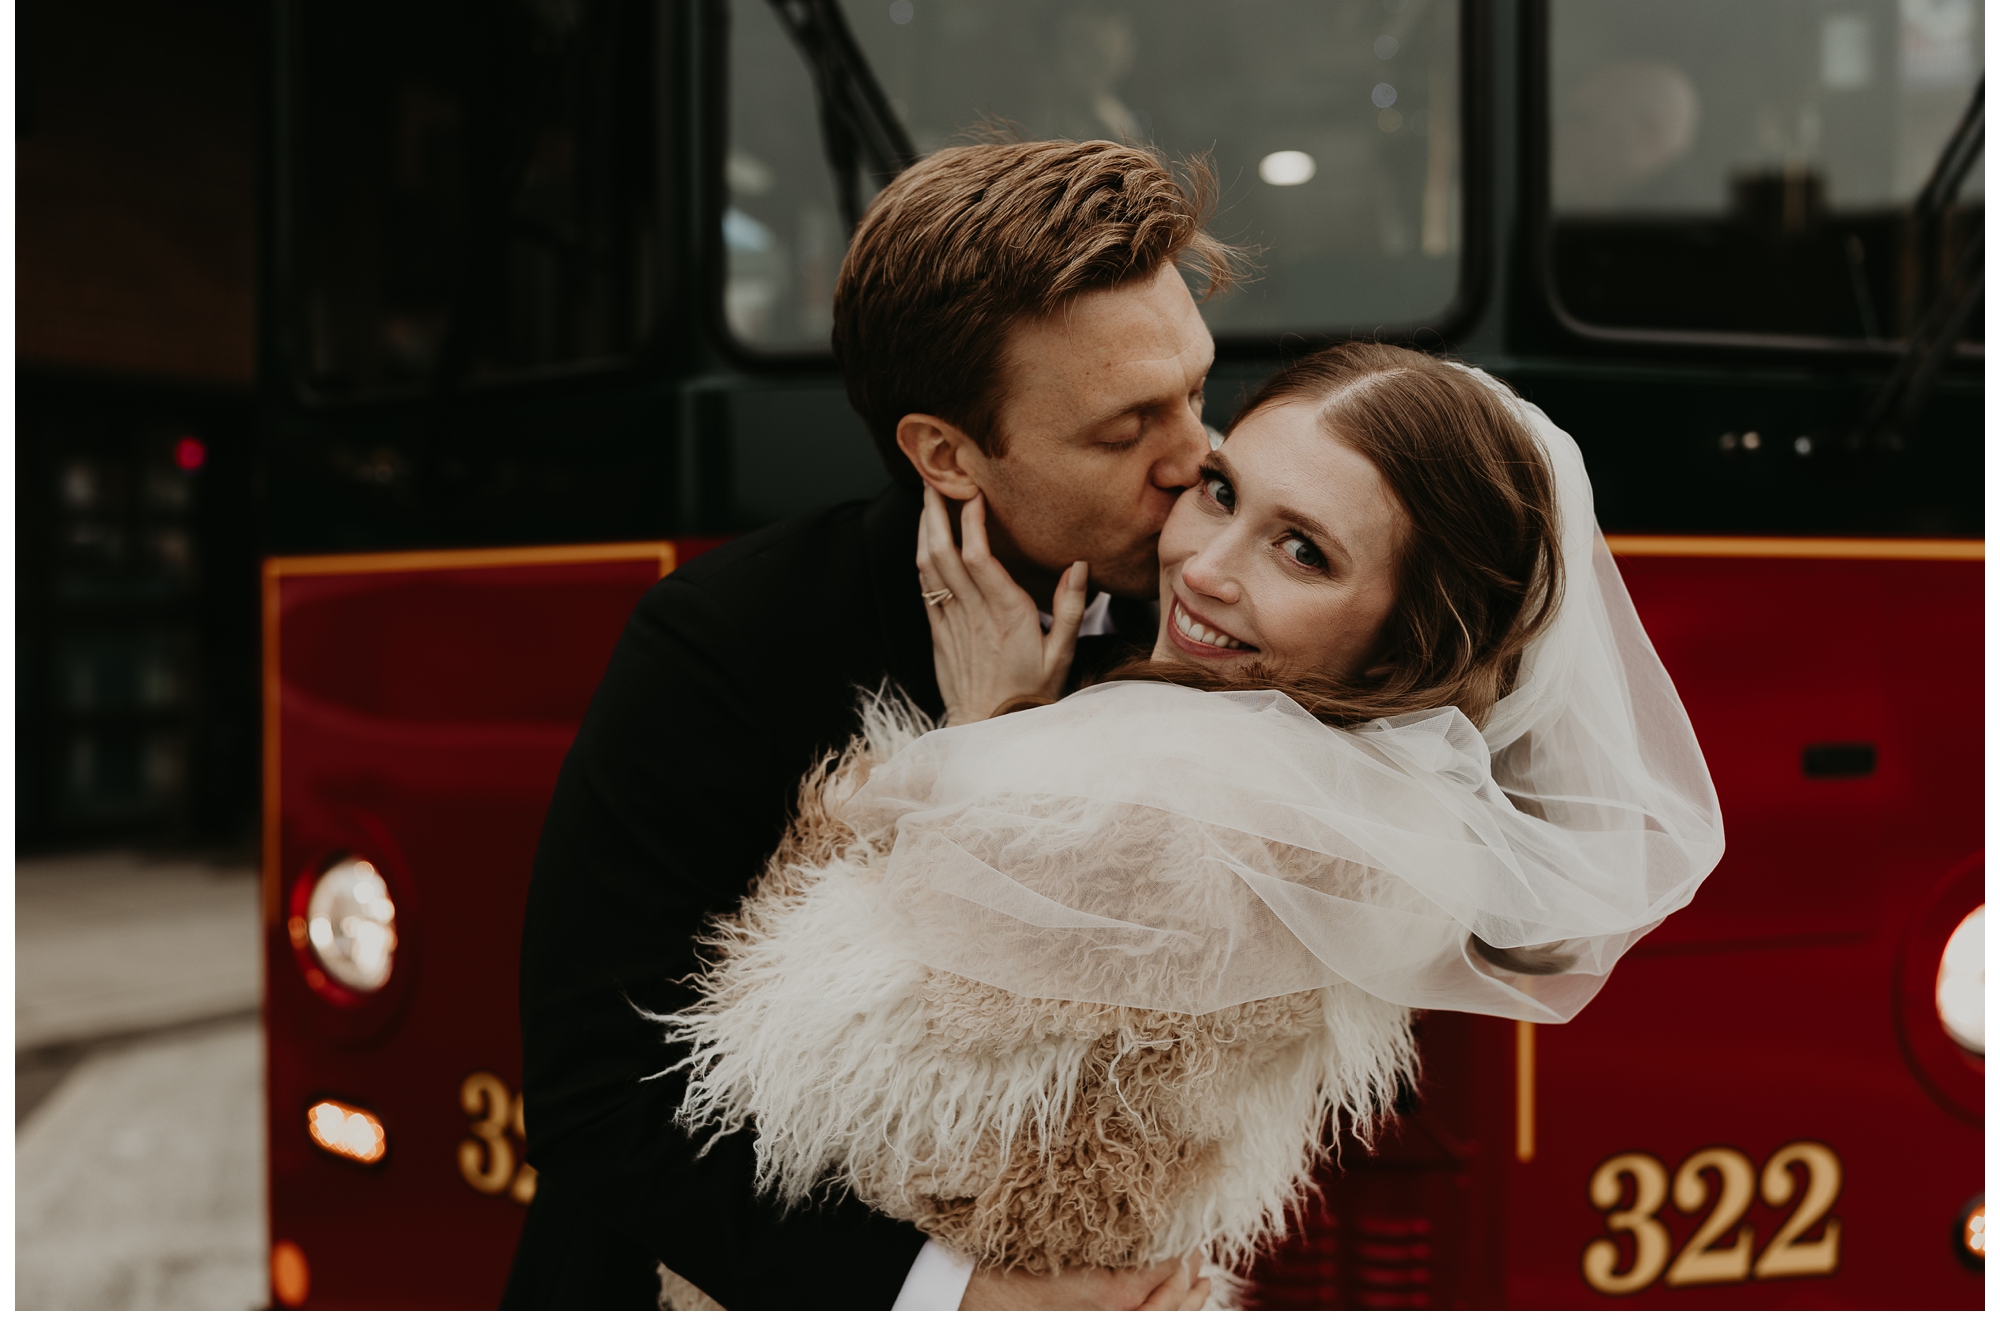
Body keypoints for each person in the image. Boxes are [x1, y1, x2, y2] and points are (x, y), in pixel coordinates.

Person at [660, 343, 1726, 1301]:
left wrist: (977, 742)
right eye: (1220, 490)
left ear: (1404, 641)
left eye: (1301, 552)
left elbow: (772, 1072)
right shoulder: (1379, 808)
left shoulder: (1174, 805)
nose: (1205, 568)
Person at [504, 139, 1240, 1310]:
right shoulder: (721, 645)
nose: (1199, 460)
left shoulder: (1226, 622)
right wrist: (956, 1293)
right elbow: (601, 1098)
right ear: (944, 454)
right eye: (1123, 430)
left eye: (1198, 391)